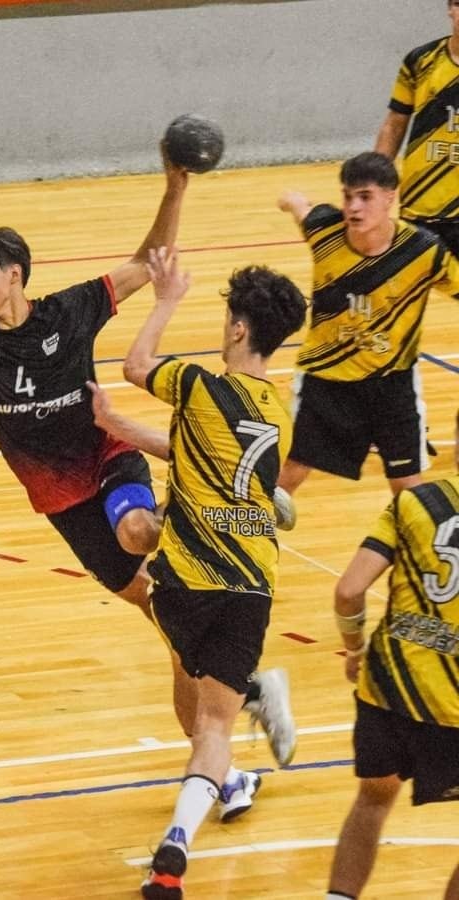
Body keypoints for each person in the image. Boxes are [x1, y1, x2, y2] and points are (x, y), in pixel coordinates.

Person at [0, 147, 295, 821]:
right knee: (166, 627)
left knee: (137, 529)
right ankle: (233, 742)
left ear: (15, 273)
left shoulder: (68, 313)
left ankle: (210, 503)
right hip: (60, 501)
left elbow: (148, 261)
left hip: (110, 460)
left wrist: (175, 186)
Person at [111, 247, 306, 899]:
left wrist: (165, 299)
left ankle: (255, 691)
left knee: (194, 697)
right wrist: (120, 427)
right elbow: (212, 453)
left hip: (189, 578)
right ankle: (174, 850)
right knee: (213, 726)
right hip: (253, 583)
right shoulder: (278, 411)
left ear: (239, 328)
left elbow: (135, 365)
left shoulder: (199, 385)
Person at [326, 409, 459, 900]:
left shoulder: (415, 502)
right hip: (453, 710)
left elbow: (348, 591)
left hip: (388, 686)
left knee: (372, 800)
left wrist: (355, 649)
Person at [277, 151, 459, 501]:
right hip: (327, 380)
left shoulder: (423, 251)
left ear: (390, 197)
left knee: (409, 490)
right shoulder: (324, 230)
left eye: (365, 197)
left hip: (392, 385)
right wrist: (291, 200)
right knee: (288, 473)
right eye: (348, 196)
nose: (354, 208)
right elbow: (302, 209)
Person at [375, 0, 459, 257]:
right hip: (419, 207)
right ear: (449, 9)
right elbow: (393, 125)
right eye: (458, 4)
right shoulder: (420, 61)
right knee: (406, 294)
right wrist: (375, 184)